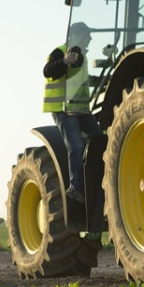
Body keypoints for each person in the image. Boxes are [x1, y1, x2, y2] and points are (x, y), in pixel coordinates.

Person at [43, 22, 103, 202]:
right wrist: (63, 61)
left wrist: (103, 80)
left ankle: (94, 180)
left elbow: (82, 80)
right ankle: (75, 187)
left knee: (99, 138)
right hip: (63, 110)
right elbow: (47, 71)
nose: (90, 38)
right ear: (75, 36)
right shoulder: (60, 53)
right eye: (87, 35)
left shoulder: (80, 58)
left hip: (80, 109)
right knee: (76, 145)